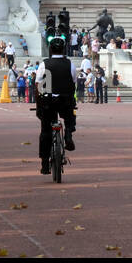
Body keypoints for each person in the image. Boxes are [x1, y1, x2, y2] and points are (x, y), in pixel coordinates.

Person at [34, 34, 77, 174]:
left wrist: (39, 104)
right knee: (70, 116)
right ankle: (69, 134)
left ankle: (45, 163)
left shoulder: (44, 64)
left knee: (45, 131)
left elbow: (39, 85)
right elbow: (74, 82)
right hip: (66, 100)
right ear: (63, 50)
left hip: (48, 101)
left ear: (51, 50)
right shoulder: (70, 64)